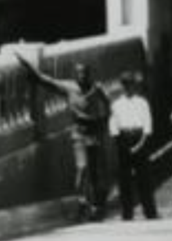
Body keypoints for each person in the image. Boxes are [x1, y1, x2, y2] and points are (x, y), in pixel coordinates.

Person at [15, 55, 110, 221]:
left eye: (85, 73)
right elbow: (46, 80)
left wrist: (105, 120)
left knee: (95, 172)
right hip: (79, 133)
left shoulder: (97, 88)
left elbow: (108, 104)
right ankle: (82, 202)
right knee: (82, 168)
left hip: (94, 132)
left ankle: (96, 207)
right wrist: (27, 64)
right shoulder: (69, 87)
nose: (82, 76)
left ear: (90, 74)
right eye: (79, 73)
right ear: (76, 75)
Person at [109, 73, 159, 220]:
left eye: (130, 84)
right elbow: (113, 126)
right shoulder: (116, 104)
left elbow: (148, 125)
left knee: (144, 178)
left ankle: (150, 212)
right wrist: (122, 144)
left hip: (139, 138)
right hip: (123, 141)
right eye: (124, 84)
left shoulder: (142, 103)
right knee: (124, 180)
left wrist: (141, 144)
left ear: (134, 85)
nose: (127, 87)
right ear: (122, 86)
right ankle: (127, 214)